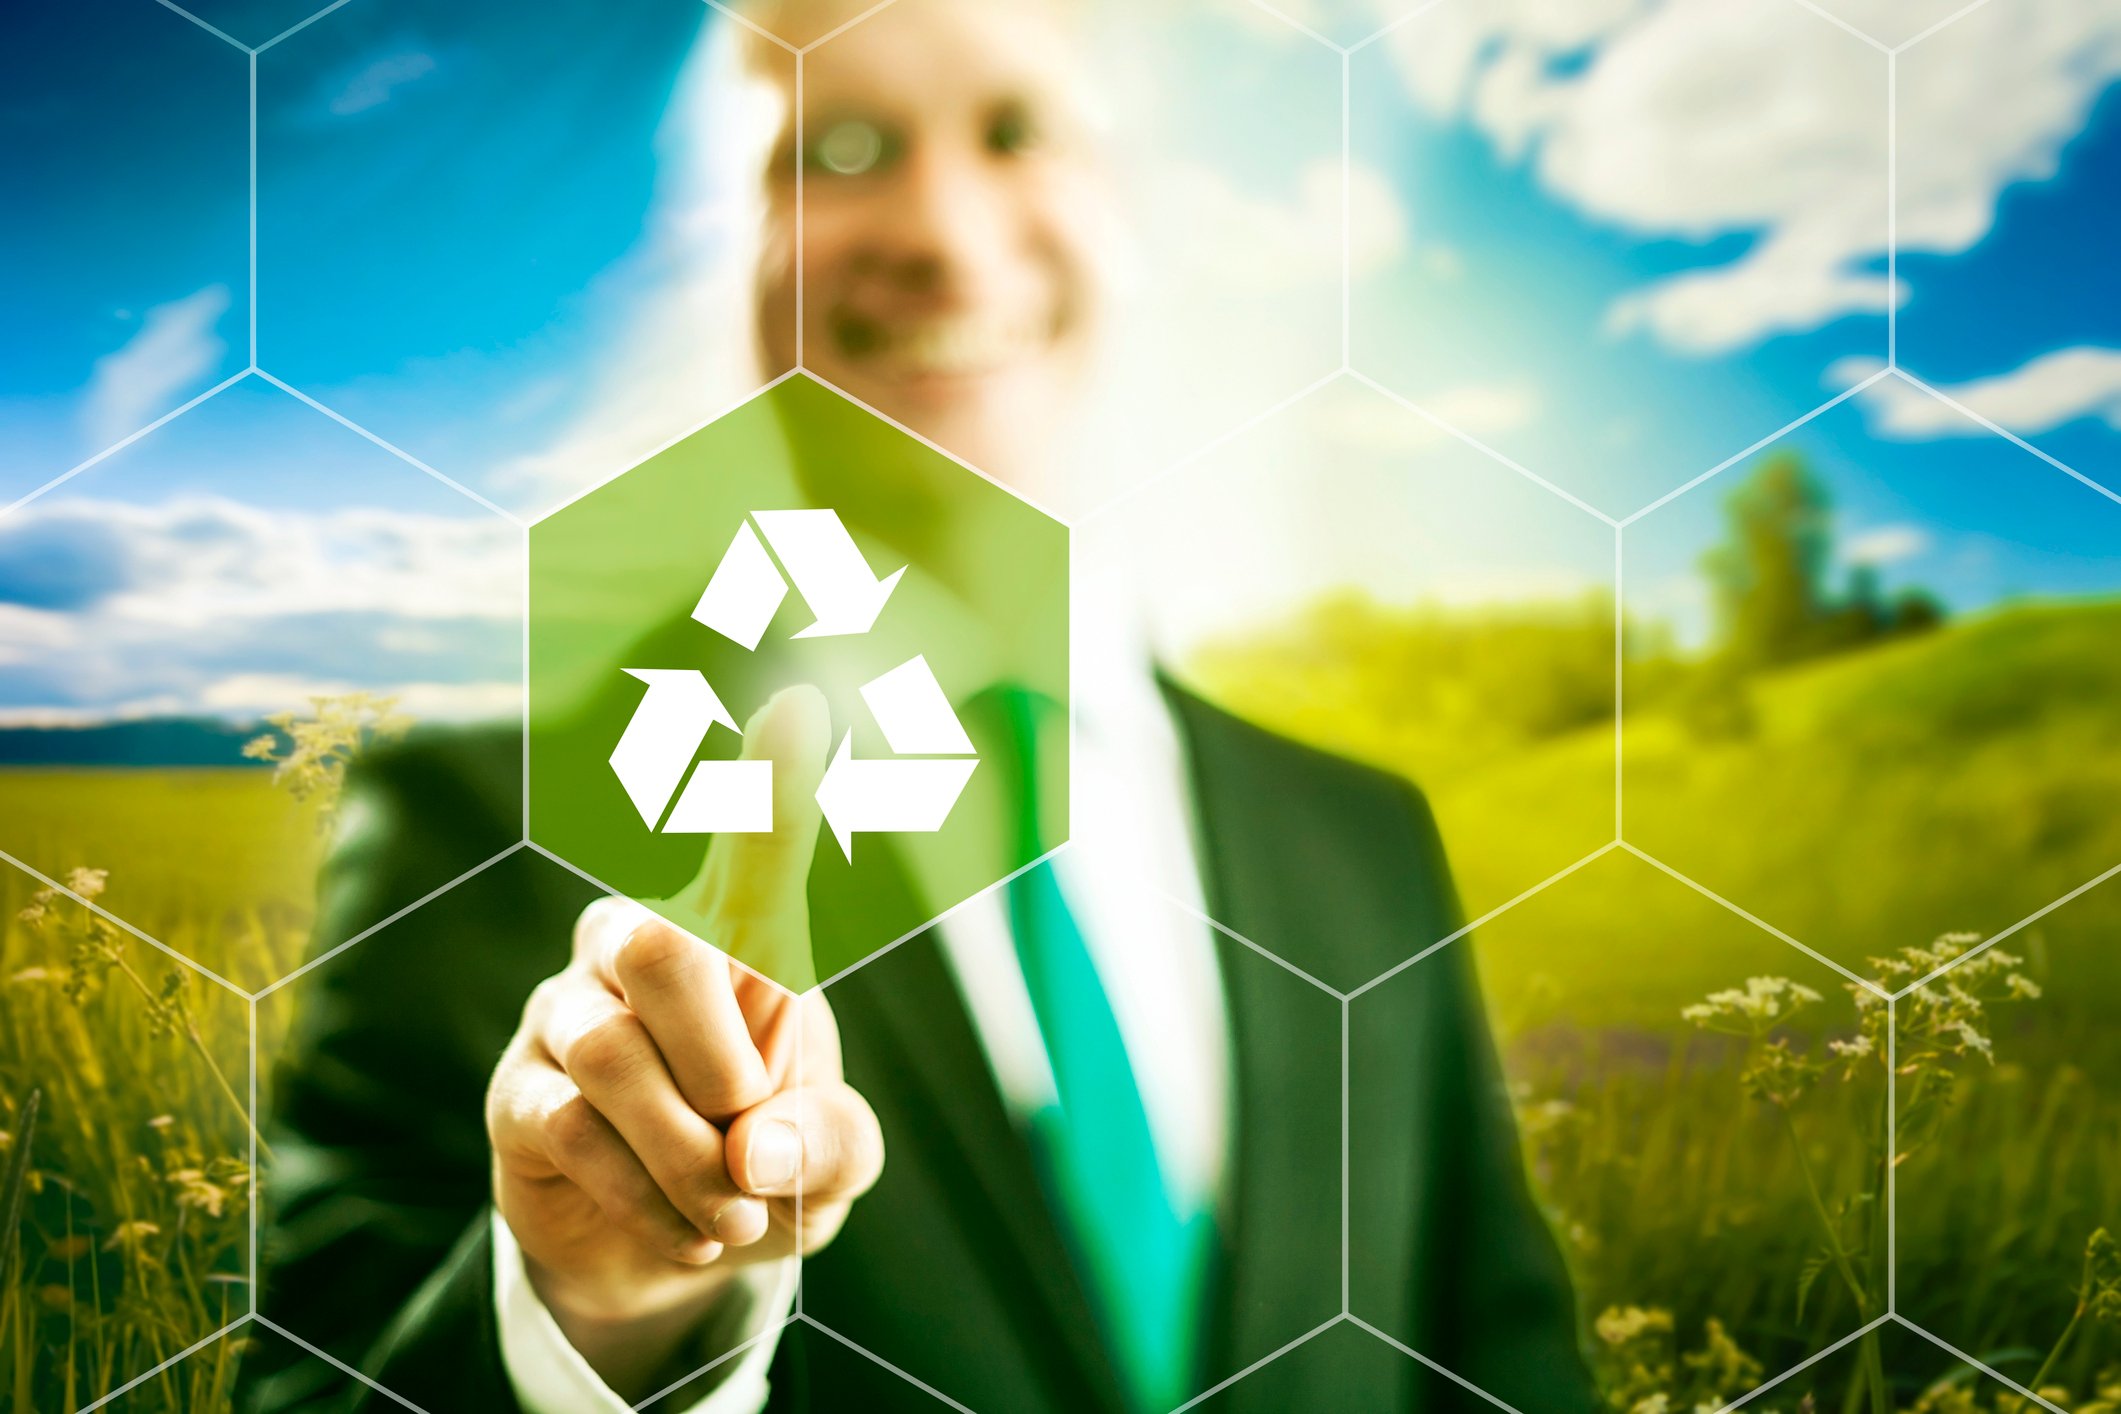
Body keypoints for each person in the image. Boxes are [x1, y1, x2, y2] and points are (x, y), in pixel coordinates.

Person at [236, 2, 1592, 1411]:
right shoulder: (489, 835)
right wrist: (594, 1313)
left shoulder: (1358, 844)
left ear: (1126, 205)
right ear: (716, 241)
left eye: (1015, 131)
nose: (942, 233)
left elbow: (1496, 1363)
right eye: (839, 146)